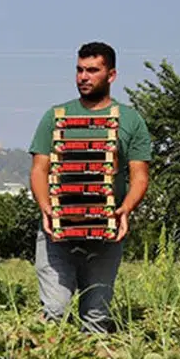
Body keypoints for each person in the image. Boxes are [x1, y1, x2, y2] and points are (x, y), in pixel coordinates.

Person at [27, 41, 151, 333]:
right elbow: (39, 170)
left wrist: (125, 210)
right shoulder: (55, 117)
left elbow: (140, 176)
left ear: (111, 75)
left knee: (96, 319)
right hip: (56, 229)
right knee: (53, 312)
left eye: (93, 70)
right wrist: (46, 208)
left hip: (105, 232)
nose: (84, 77)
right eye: (80, 70)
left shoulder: (130, 120)